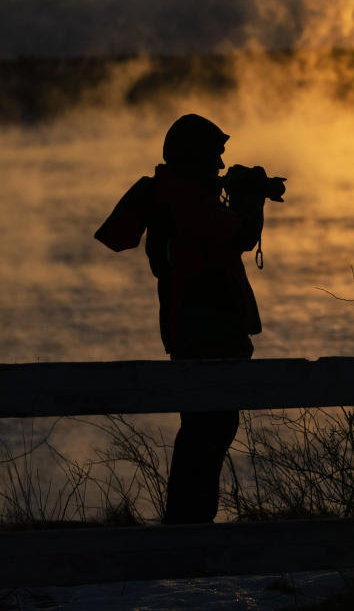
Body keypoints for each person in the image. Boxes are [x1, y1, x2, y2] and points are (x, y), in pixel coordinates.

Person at [95, 113, 285, 524]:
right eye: (215, 155)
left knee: (205, 430)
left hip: (194, 328)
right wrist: (250, 201)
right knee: (207, 433)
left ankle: (187, 530)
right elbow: (239, 237)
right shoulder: (185, 197)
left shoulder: (177, 194)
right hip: (209, 329)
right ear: (194, 155)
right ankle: (187, 531)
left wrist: (238, 194)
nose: (219, 166)